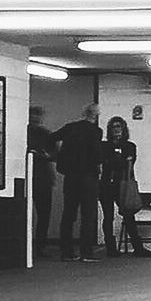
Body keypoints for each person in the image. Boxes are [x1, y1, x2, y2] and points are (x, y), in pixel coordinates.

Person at [51, 103, 102, 262]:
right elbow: (96, 154)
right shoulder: (96, 131)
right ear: (95, 115)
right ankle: (86, 252)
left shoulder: (69, 128)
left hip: (71, 176)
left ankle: (66, 251)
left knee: (69, 214)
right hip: (88, 176)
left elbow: (52, 138)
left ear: (83, 112)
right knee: (88, 215)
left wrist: (59, 154)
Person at [99, 116, 151, 257]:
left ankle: (138, 248)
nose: (117, 129)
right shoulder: (104, 146)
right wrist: (117, 159)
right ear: (110, 130)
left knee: (129, 215)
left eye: (119, 126)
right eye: (114, 127)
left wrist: (114, 160)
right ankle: (111, 248)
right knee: (108, 216)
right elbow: (110, 162)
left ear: (124, 129)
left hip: (123, 184)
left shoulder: (130, 146)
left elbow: (125, 163)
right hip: (106, 184)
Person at [27, 106, 55, 258]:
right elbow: (55, 155)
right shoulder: (45, 134)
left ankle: (36, 246)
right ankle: (40, 246)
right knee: (44, 214)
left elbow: (55, 155)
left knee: (40, 214)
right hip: (43, 177)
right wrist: (45, 156)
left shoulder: (24, 132)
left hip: (33, 176)